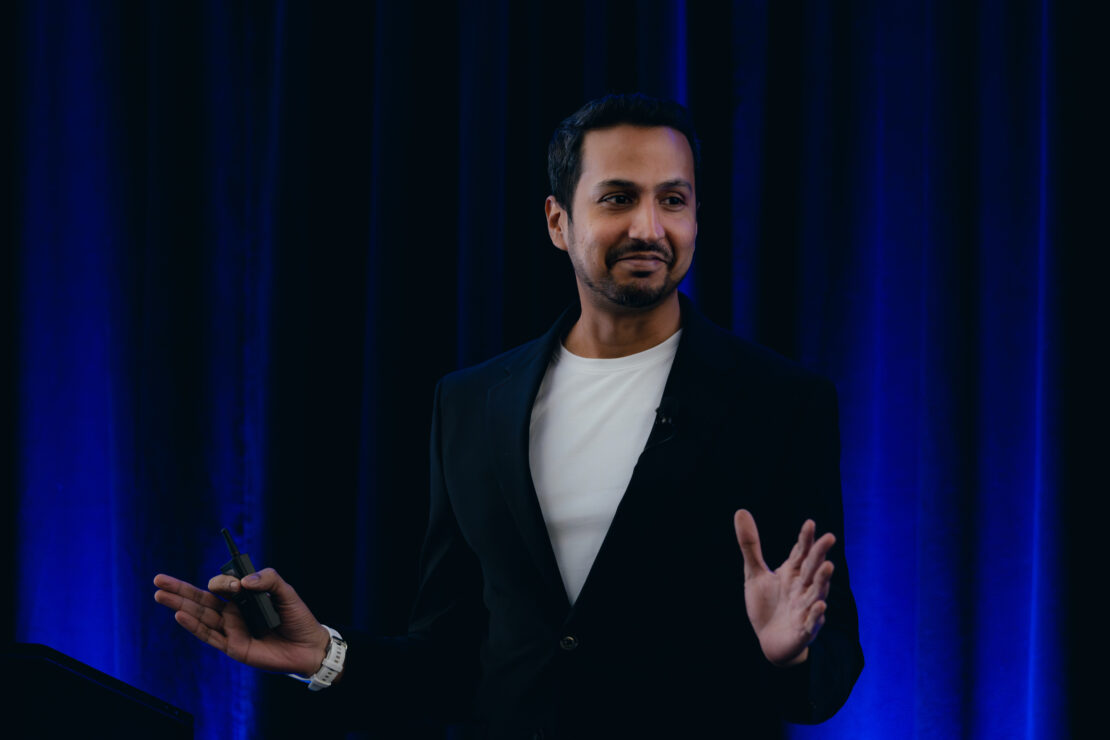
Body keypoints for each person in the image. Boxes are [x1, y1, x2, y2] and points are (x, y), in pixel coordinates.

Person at [155, 94, 863, 738]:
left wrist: (789, 654)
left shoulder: (780, 402)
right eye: (618, 197)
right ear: (559, 221)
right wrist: (324, 655)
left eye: (673, 200)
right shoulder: (470, 404)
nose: (650, 226)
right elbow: (452, 658)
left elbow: (832, 666)